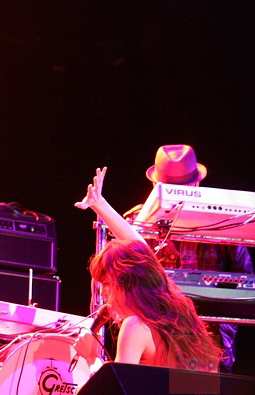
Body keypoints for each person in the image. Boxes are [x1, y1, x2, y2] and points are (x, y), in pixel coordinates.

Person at [76, 167, 221, 371]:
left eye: (108, 284)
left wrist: (90, 359)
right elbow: (142, 252)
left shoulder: (135, 326)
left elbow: (119, 389)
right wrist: (100, 204)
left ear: (130, 285)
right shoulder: (181, 320)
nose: (103, 293)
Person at [128, 145, 252, 372]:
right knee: (159, 386)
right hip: (154, 332)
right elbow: (120, 282)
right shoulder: (138, 221)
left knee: (194, 389)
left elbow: (244, 286)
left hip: (208, 333)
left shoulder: (226, 221)